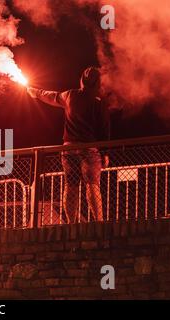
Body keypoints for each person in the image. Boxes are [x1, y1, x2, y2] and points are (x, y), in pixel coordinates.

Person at [27, 67, 110, 223]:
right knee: (92, 185)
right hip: (90, 150)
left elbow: (50, 96)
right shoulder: (99, 102)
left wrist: (35, 92)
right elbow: (105, 130)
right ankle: (99, 222)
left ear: (82, 81)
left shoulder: (70, 95)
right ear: (98, 82)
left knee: (71, 185)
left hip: (68, 148)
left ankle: (71, 224)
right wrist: (105, 153)